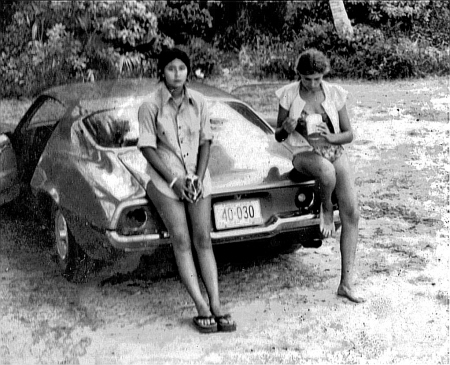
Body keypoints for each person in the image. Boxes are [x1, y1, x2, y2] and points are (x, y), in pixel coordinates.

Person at [137, 48, 237, 332]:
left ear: (188, 71)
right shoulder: (150, 105)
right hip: (164, 179)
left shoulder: (200, 101)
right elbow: (147, 148)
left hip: (196, 178)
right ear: (162, 72)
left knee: (203, 239)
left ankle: (216, 303)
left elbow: (206, 140)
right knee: (181, 240)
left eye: (182, 68)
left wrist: (198, 177)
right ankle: (200, 306)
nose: (177, 74)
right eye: (171, 68)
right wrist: (174, 180)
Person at [274, 48, 364, 303]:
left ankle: (346, 283)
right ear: (299, 75)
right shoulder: (289, 94)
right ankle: (325, 206)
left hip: (332, 148)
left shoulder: (334, 93)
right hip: (303, 152)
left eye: (317, 78)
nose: (313, 84)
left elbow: (348, 134)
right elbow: (278, 135)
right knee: (326, 171)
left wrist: (330, 136)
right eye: (307, 79)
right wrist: (286, 127)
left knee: (352, 213)